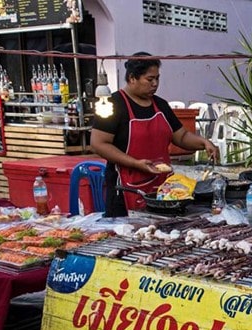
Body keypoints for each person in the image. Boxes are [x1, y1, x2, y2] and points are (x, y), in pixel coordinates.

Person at [91, 52, 219, 217]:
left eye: (157, 79)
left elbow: (180, 136)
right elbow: (98, 143)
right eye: (150, 79)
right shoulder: (113, 105)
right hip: (126, 190)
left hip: (163, 189)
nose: (155, 84)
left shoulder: (160, 105)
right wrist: (136, 163)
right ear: (132, 78)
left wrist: (204, 142)